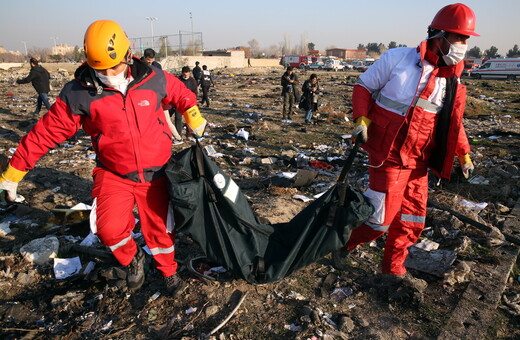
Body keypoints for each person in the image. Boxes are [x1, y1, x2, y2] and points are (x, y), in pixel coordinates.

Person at [0, 19, 207, 295]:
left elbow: (182, 93)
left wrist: (193, 114)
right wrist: (13, 173)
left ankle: (168, 272)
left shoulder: (153, 77)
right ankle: (133, 259)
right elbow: (44, 133)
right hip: (114, 174)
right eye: (101, 68)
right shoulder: (78, 93)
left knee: (160, 230)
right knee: (108, 229)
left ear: (128, 53)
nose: (109, 73)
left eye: (115, 66)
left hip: (156, 173)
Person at [333, 3, 478, 286]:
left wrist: (464, 154)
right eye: (460, 38)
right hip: (388, 155)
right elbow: (363, 87)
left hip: (419, 162)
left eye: (466, 39)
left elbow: (452, 122)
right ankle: (344, 243)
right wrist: (361, 121)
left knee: (411, 221)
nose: (463, 45)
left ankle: (393, 269)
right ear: (440, 35)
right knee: (379, 221)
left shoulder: (452, 79)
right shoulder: (397, 60)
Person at [168, 66, 199, 143]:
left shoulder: (192, 81)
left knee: (189, 120)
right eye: (184, 74)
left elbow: (195, 92)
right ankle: (179, 136)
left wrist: (192, 101)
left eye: (187, 73)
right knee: (178, 119)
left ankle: (188, 135)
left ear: (189, 73)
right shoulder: (178, 80)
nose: (185, 75)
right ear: (182, 73)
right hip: (178, 103)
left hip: (188, 103)